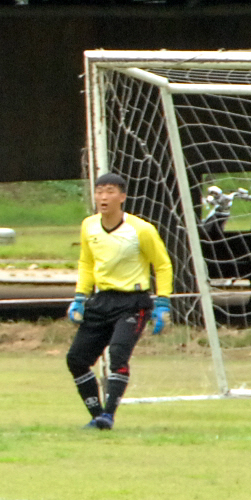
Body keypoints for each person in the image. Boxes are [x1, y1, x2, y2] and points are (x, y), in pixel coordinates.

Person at [68, 172, 174, 430]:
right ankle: (96, 415)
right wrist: (79, 298)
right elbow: (87, 262)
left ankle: (109, 415)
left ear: (123, 196)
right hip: (101, 300)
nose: (104, 197)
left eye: (111, 191)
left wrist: (163, 303)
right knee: (76, 359)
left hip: (132, 302)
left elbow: (162, 265)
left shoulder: (141, 229)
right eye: (100, 191)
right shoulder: (89, 225)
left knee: (117, 353)